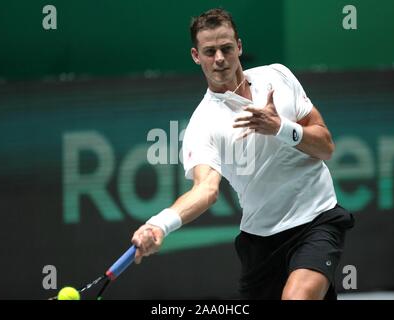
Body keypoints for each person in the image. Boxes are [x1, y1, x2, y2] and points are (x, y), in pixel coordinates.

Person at [131, 8, 354, 300]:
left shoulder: (278, 76)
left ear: (239, 46)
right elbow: (205, 190)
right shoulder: (202, 125)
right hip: (261, 241)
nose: (219, 58)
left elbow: (325, 146)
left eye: (226, 48)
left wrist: (280, 128)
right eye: (210, 51)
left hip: (317, 217)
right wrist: (159, 223)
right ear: (196, 56)